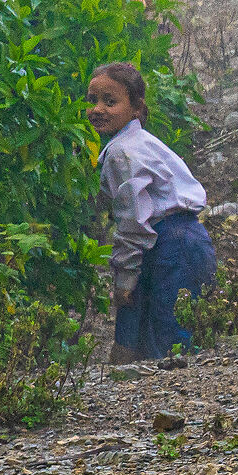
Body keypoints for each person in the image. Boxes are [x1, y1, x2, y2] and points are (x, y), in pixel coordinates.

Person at [87, 62, 212, 365]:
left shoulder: (121, 152)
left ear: (136, 108)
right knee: (168, 326)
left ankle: (171, 388)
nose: (98, 109)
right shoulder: (143, 143)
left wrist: (126, 276)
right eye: (93, 101)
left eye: (110, 101)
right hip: (189, 238)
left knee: (168, 336)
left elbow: (133, 220)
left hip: (170, 243)